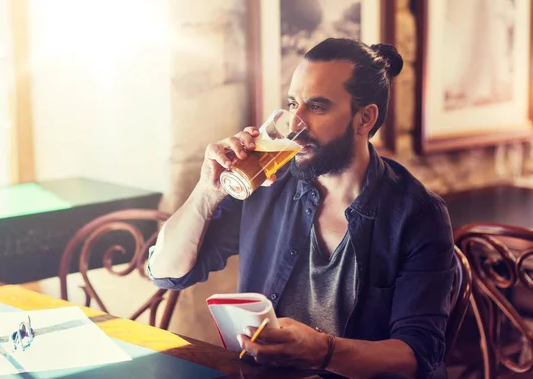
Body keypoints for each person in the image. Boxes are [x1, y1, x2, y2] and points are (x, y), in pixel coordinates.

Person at [147, 38, 455, 379]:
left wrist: (325, 352)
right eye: (293, 104)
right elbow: (167, 272)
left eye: (317, 107)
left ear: (364, 118)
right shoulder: (269, 184)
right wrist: (208, 191)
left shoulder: (417, 214)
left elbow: (417, 354)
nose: (295, 123)